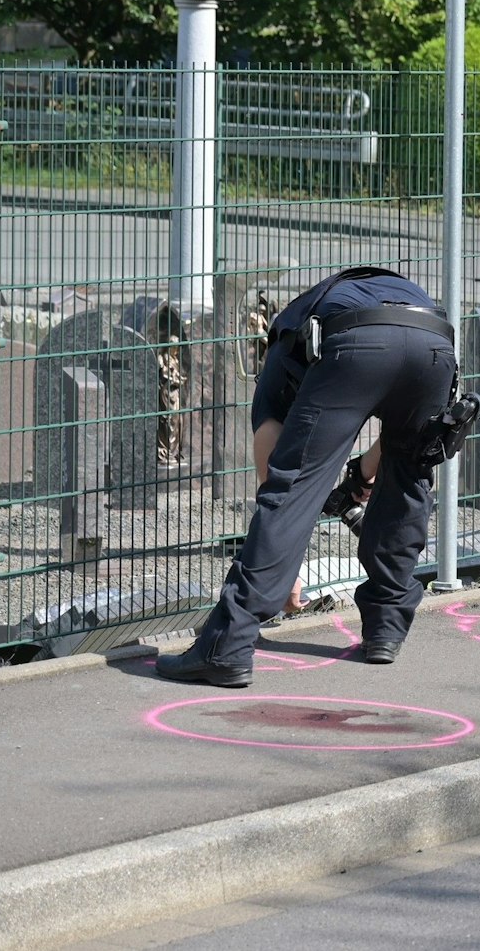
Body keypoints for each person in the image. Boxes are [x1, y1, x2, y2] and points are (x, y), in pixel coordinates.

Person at [156, 268, 457, 687]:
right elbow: (395, 447)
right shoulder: (386, 292)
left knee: (292, 488)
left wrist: (285, 567)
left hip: (356, 342)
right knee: (410, 477)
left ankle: (226, 647)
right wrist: (362, 477)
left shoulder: (286, 336)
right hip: (434, 344)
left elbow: (275, 462)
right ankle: (386, 629)